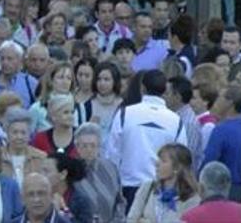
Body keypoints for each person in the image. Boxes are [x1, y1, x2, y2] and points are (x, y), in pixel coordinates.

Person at [106, 70, 186, 208]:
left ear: (142, 88)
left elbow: (112, 153)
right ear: (165, 90)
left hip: (128, 186)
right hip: (160, 188)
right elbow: (182, 157)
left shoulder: (125, 114)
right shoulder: (176, 120)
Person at [202, 84, 241, 201]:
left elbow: (209, 162)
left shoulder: (221, 130)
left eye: (219, 97)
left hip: (225, 191)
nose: (215, 102)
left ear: (229, 103)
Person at [127, 143, 200, 223]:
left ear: (177, 168)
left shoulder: (192, 199)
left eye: (163, 161)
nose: (157, 164)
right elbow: (131, 220)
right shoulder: (147, 188)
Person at [73, 122, 125, 222]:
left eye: (93, 145)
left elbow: (120, 201)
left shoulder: (111, 168)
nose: (89, 150)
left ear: (99, 147)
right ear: (77, 147)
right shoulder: (71, 171)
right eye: (84, 146)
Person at [0, 108, 45, 188]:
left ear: (29, 135)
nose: (19, 137)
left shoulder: (41, 158)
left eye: (23, 133)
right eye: (15, 132)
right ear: (7, 133)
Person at [31, 94, 77, 159]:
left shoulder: (81, 136)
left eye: (72, 112)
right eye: (66, 112)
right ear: (54, 116)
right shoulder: (40, 138)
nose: (71, 116)